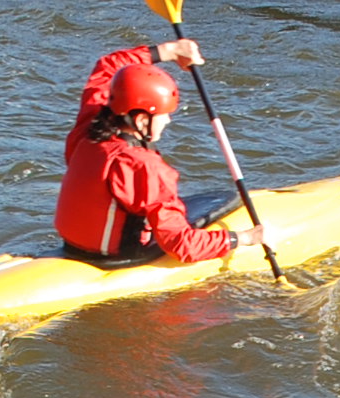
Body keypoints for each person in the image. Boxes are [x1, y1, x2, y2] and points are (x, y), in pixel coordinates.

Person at [53, 42, 268, 266]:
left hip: (72, 246)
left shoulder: (90, 124)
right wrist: (241, 239)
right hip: (120, 256)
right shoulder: (143, 167)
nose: (168, 120)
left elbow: (108, 67)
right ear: (141, 120)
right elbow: (182, 245)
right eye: (164, 115)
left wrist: (168, 51)